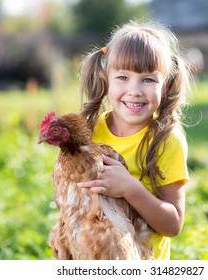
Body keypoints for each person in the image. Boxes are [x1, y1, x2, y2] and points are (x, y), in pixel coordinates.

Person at [77, 21, 191, 260]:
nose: (135, 90)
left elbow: (173, 225)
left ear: (166, 85)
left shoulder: (166, 140)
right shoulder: (91, 131)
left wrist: (130, 188)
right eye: (123, 77)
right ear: (106, 78)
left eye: (148, 80)